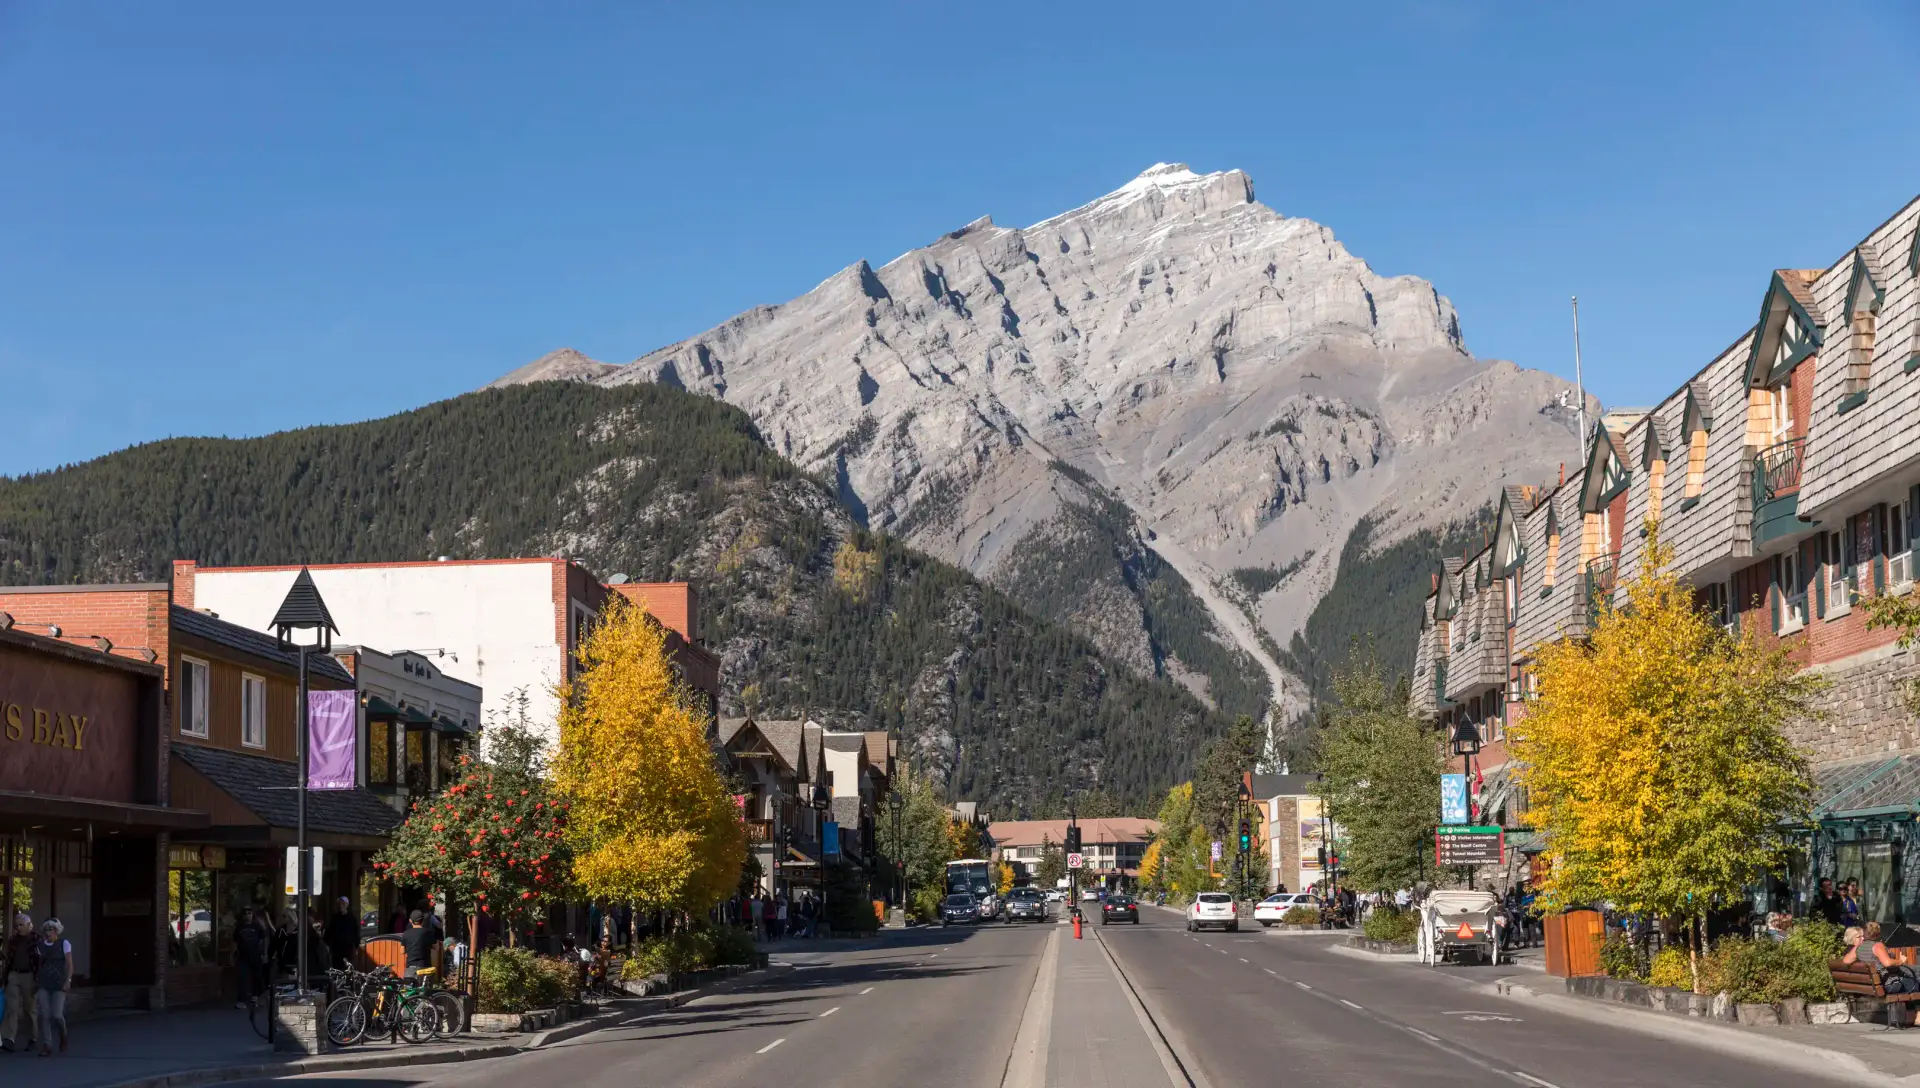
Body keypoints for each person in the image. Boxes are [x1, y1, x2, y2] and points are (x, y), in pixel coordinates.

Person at [32, 918, 72, 1056]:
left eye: (52, 929)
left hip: (59, 983)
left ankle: (63, 1033)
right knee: (44, 1014)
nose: (49, 932)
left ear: (57, 931)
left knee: (57, 1015)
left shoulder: (63, 943)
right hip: (44, 982)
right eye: (47, 930)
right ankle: (47, 1044)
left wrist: (68, 980)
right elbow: (37, 963)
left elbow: (69, 963)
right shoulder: (40, 945)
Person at [3, 912, 36, 1053]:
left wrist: (38, 978)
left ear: (29, 925)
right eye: (16, 925)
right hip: (14, 974)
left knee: (30, 1009)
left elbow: (40, 960)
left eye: (21, 925)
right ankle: (8, 1039)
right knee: (11, 1007)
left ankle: (32, 1038)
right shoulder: (13, 940)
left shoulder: (35, 939)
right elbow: (7, 957)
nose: (18, 928)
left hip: (29, 974)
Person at [233, 907, 269, 1010]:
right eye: (245, 913)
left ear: (252, 915)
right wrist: (232, 954)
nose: (247, 915)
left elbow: (264, 938)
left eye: (249, 913)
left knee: (257, 976)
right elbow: (235, 941)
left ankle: (255, 996)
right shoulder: (239, 927)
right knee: (242, 977)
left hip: (256, 954)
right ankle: (241, 1000)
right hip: (243, 955)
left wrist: (265, 953)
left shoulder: (257, 926)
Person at [325, 897, 359, 971]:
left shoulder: (352, 918)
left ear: (347, 905)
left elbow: (355, 933)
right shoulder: (334, 918)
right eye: (339, 904)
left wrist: (356, 946)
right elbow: (329, 932)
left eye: (343, 904)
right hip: (336, 950)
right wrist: (327, 945)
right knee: (337, 969)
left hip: (348, 949)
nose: (341, 906)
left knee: (348, 968)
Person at [399, 910, 436, 979]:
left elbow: (402, 951)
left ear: (410, 921)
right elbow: (435, 947)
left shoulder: (406, 933)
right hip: (425, 967)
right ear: (423, 921)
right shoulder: (428, 932)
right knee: (425, 989)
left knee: (409, 989)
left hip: (411, 967)